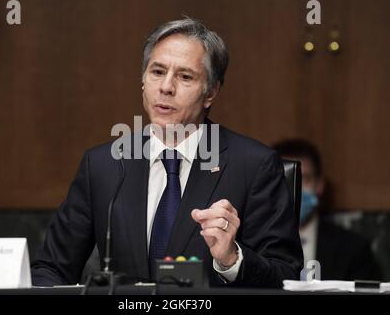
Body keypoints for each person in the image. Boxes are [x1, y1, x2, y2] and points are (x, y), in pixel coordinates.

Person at [31, 18, 303, 288]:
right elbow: (50, 268)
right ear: (143, 81)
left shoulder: (253, 166)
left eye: (185, 77)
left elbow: (285, 276)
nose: (166, 87)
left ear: (211, 92)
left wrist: (231, 260)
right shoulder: (104, 165)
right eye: (157, 72)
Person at [274, 139, 381, 281]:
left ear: (319, 186)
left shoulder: (354, 249)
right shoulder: (247, 246)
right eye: (286, 179)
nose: (295, 189)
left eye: (304, 179)